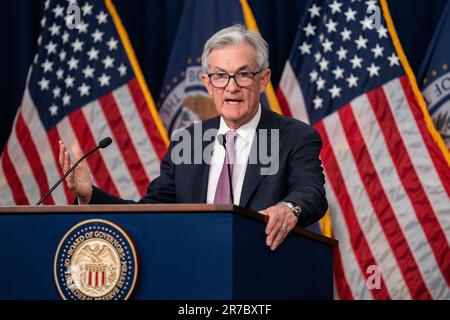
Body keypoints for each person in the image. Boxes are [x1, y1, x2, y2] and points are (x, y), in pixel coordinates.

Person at [59, 24, 327, 251]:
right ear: (207, 83)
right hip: (194, 275)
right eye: (220, 76)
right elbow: (151, 213)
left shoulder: (295, 137)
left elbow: (312, 194)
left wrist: (289, 208)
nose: (231, 87)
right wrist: (91, 195)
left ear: (263, 79)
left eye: (243, 75)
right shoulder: (189, 140)